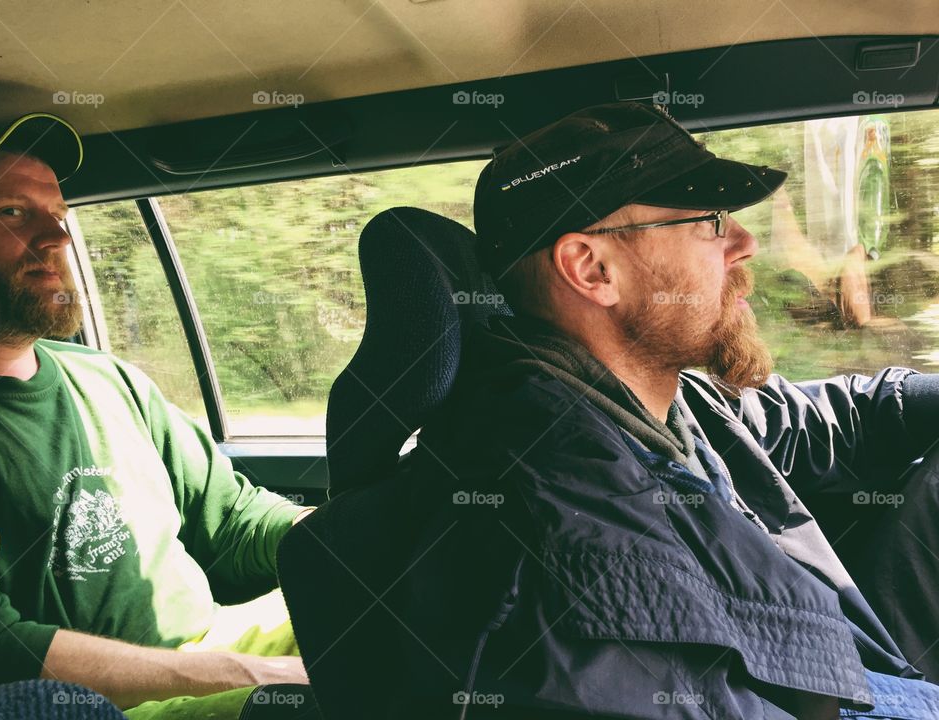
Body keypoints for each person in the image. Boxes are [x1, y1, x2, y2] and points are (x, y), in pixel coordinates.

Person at [392, 102, 939, 718]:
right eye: (709, 223)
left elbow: (837, 419)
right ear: (593, 269)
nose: (745, 243)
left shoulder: (667, 401)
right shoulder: (564, 513)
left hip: (848, 667)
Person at [0, 114, 313, 719]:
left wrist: (368, 533)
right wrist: (262, 674)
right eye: (12, 211)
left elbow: (233, 522)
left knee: (422, 598)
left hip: (213, 643)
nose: (56, 234)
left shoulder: (104, 377)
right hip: (107, 704)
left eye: (59, 212)